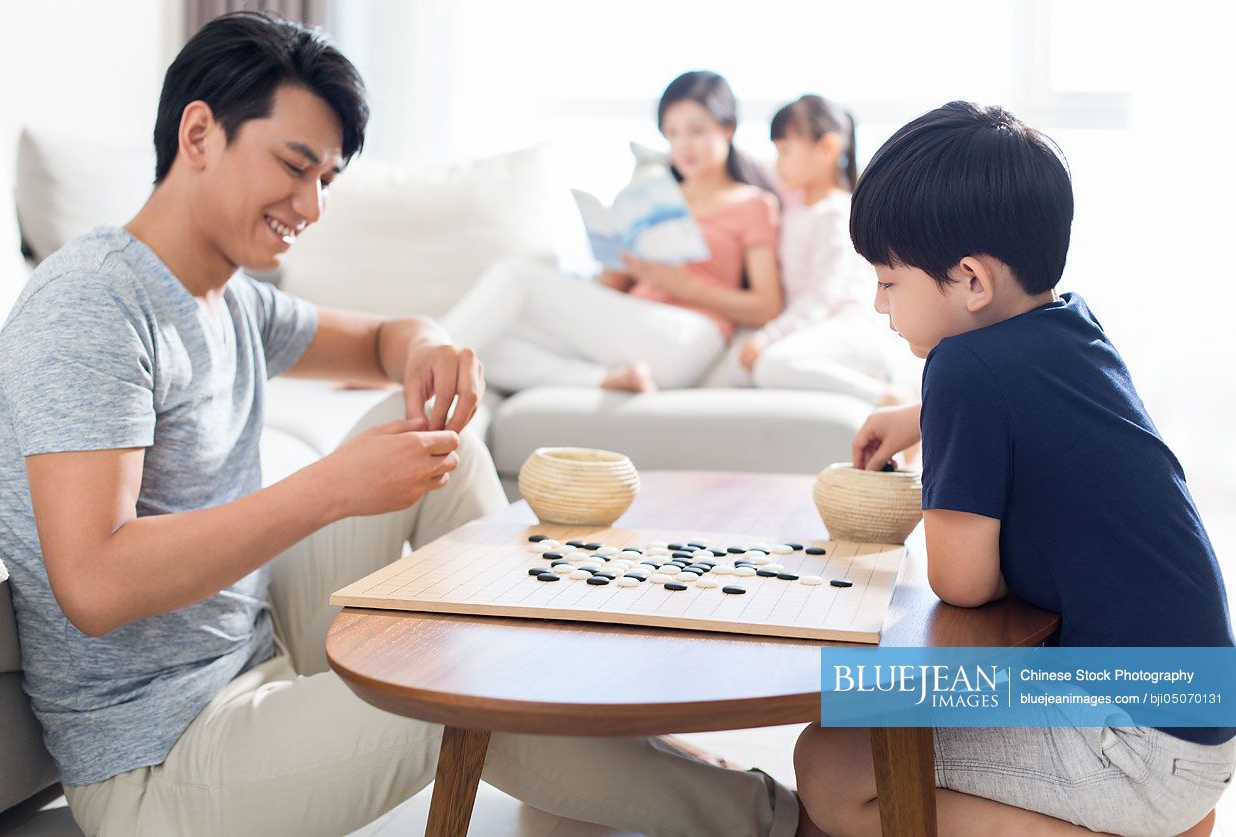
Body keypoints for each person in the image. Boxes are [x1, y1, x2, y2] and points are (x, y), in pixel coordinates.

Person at [0, 14, 802, 835]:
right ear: (200, 133)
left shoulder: (226, 299)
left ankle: (568, 699)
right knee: (454, 685)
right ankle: (773, 821)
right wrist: (331, 489)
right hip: (159, 760)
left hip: (256, 650)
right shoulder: (93, 307)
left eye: (327, 179)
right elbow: (93, 583)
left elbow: (382, 339)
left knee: (423, 434)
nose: (311, 205)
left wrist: (431, 346)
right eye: (295, 166)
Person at [792, 101, 1235, 836]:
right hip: (1192, 711)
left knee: (830, 765)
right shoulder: (1068, 324)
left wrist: (944, 445)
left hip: (1134, 742)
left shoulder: (960, 367)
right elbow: (1033, 413)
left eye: (887, 280)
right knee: (854, 718)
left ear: (968, 280)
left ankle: (1136, 828)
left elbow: (961, 582)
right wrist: (921, 417)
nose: (877, 303)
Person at [440, 70, 783, 394]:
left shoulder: (753, 204)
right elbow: (611, 290)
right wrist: (618, 259)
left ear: (727, 129)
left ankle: (418, 364)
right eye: (672, 133)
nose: (683, 145)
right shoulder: (653, 195)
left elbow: (767, 305)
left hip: (687, 334)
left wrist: (685, 286)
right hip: (632, 324)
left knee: (517, 276)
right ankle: (603, 379)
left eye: (696, 131)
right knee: (486, 345)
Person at [725, 95, 913, 404]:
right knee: (738, 365)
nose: (777, 162)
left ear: (827, 148)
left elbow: (824, 295)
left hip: (852, 329)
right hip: (818, 328)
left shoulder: (836, 212)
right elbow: (752, 168)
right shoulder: (796, 204)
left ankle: (886, 397)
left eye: (785, 150)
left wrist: (767, 337)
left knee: (771, 364)